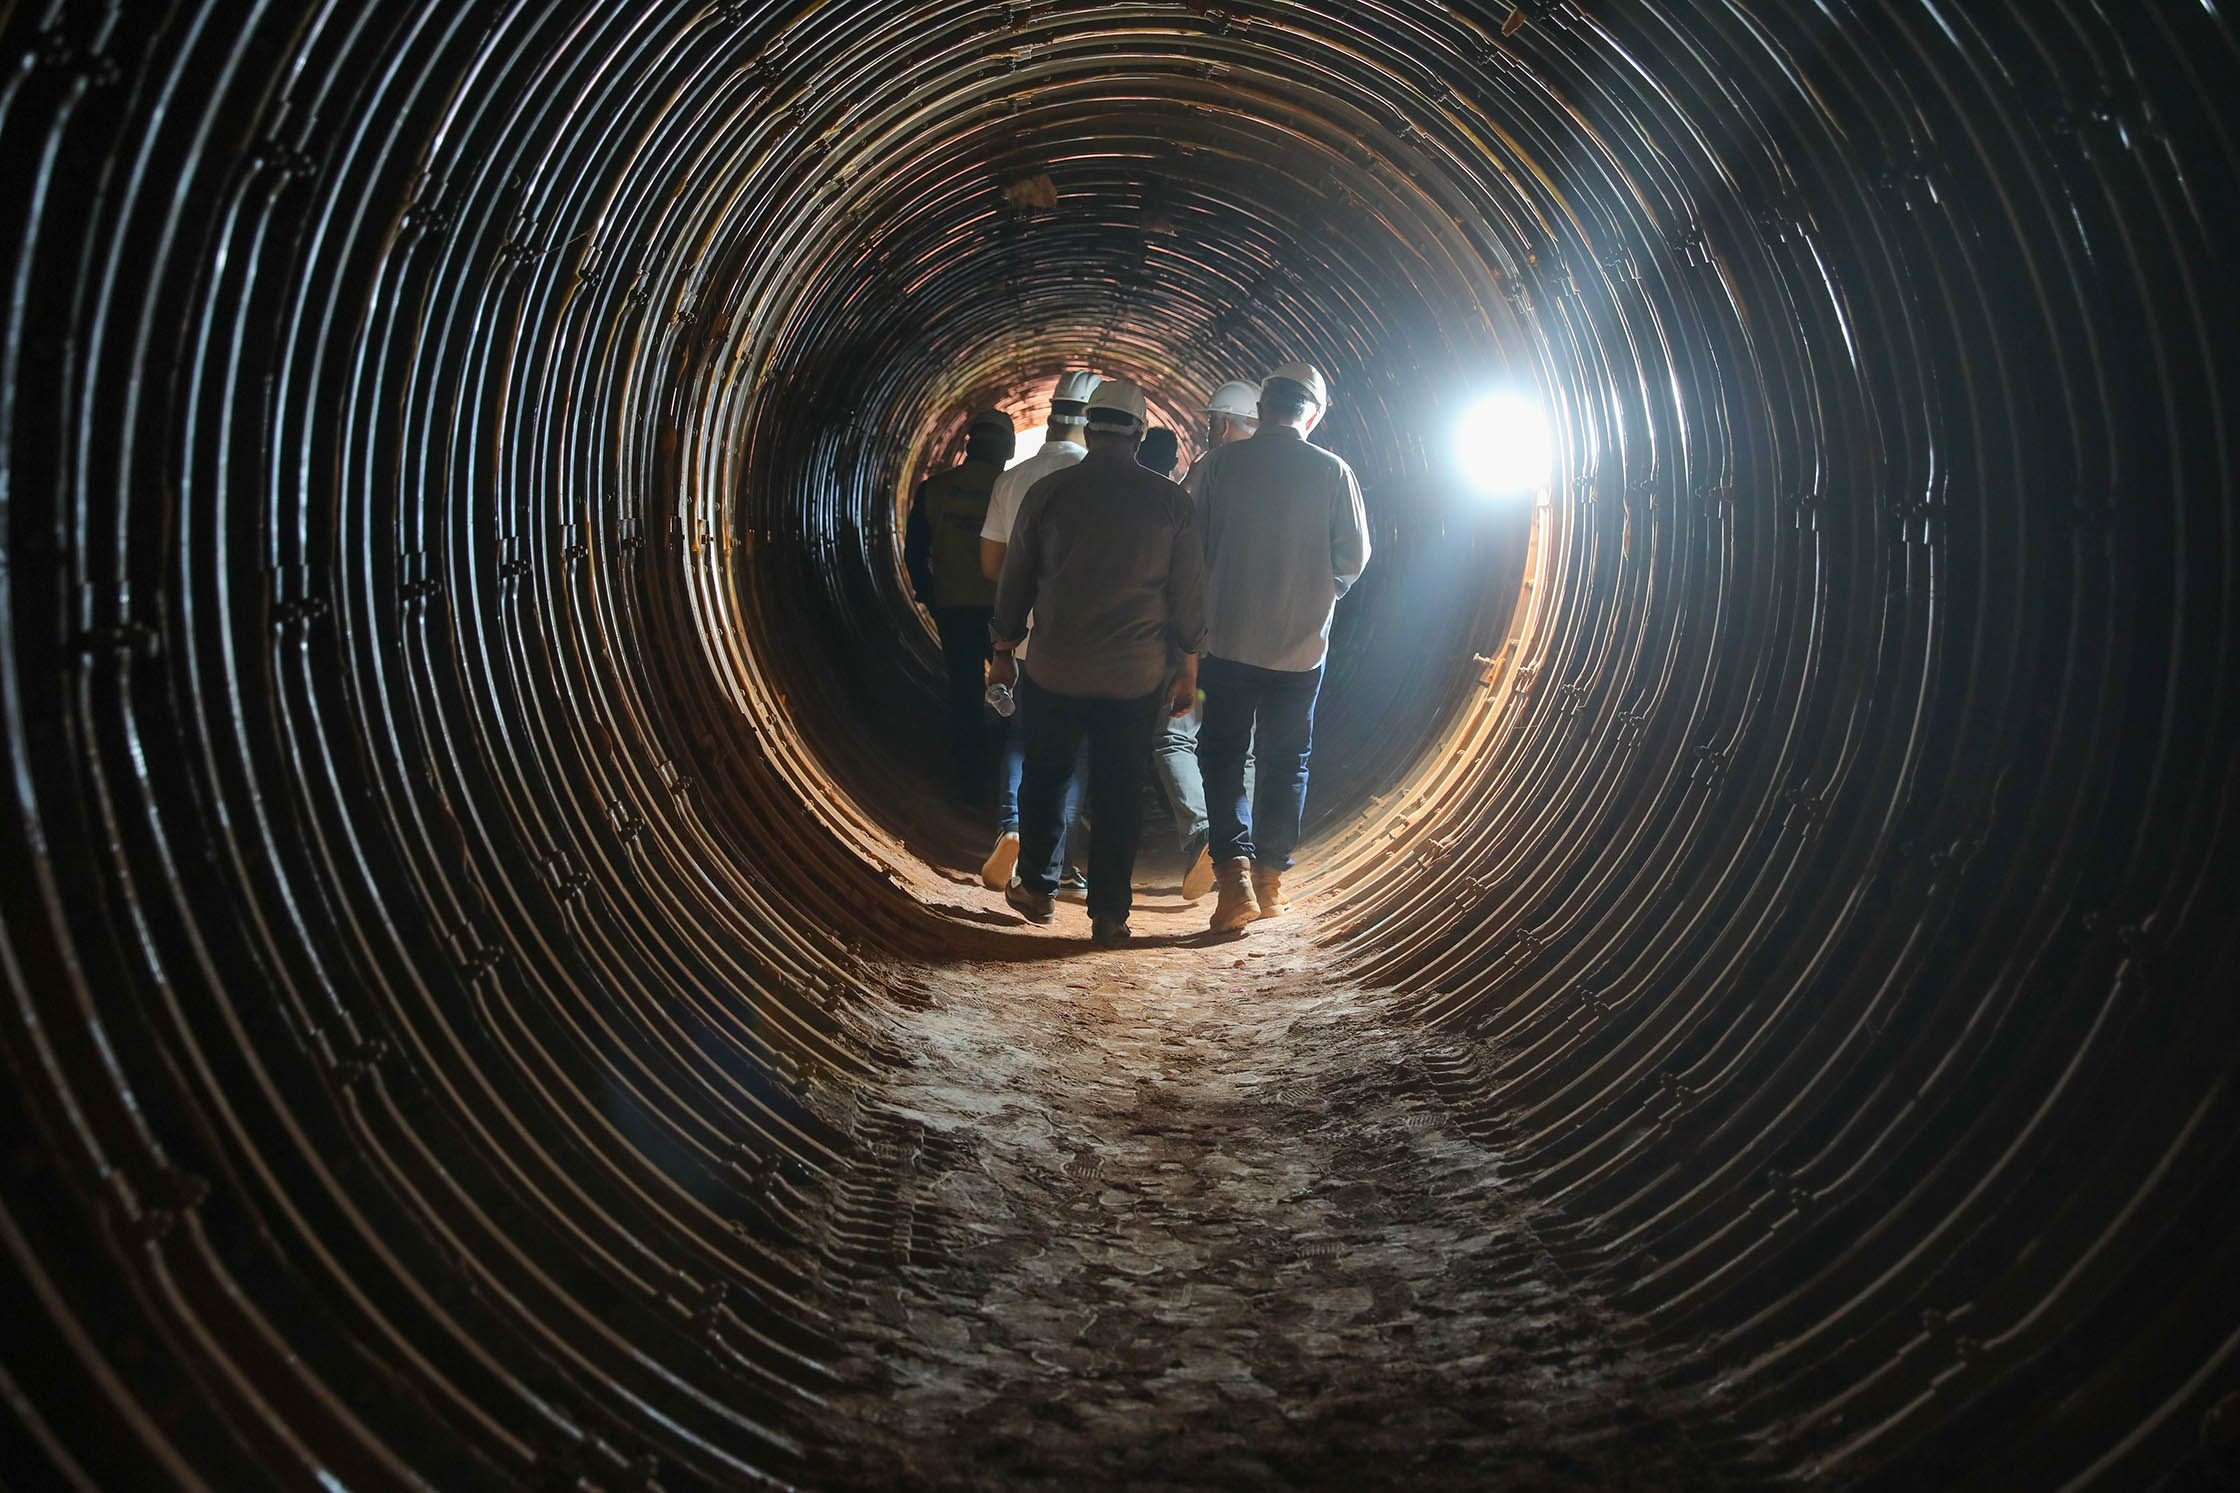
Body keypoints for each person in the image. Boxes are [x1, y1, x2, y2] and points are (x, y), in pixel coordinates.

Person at [990, 379, 1207, 947]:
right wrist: (1187, 666)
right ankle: (1110, 913)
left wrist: (1003, 651)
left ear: (1089, 430)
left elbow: (1015, 582)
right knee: (1119, 788)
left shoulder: (1049, 492)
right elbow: (1189, 599)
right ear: (1138, 434)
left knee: (1046, 774)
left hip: (1055, 667)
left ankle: (1038, 888)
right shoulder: (1172, 503)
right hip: (1135, 675)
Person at [1189, 361, 1371, 932]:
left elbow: (1188, 546)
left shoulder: (1217, 465)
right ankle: (1270, 881)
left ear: (1262, 409)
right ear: (1311, 417)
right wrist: (1319, 592)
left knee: (1222, 756)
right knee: (1286, 760)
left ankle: (1234, 879)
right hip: (1300, 649)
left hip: (1228, 640)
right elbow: (1353, 558)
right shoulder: (1334, 471)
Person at [977, 371, 1102, 891]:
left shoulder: (1013, 479)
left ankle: (1011, 828)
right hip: (1084, 640)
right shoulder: (1102, 483)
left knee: (1021, 737)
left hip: (1021, 635)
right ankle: (1059, 860)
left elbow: (991, 565)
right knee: (1073, 752)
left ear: (1050, 415)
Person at [1147, 381, 1265, 901]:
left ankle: (1202, 835)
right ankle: (1241, 851)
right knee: (1244, 749)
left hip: (1200, 634)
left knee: (1175, 734)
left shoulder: (1209, 469)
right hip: (1260, 638)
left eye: (1212, 421)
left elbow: (1176, 546)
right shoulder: (1288, 472)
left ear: (1222, 423)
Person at [903, 408, 1015, 802]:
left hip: (954, 607)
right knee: (1011, 692)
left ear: (969, 444)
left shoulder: (935, 489)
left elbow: (915, 552)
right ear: (1008, 448)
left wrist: (930, 595)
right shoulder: (1012, 490)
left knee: (965, 690)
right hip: (1003, 612)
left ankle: (968, 778)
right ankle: (1009, 776)